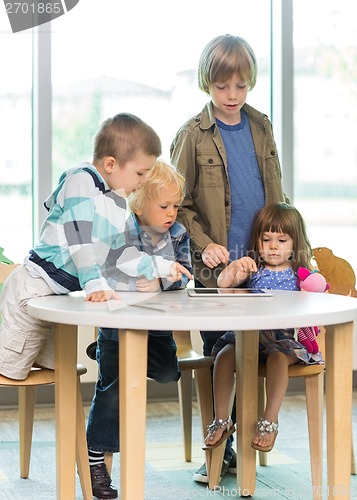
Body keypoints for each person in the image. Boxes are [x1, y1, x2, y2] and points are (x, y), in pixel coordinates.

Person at [170, 33, 289, 482]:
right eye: (223, 87)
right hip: (215, 272)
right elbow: (175, 205)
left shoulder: (261, 126)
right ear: (207, 84)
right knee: (223, 351)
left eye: (241, 86)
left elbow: (278, 196)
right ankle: (219, 451)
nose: (233, 96)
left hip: (264, 267)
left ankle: (241, 446)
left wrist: (299, 255)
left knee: (259, 350)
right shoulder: (191, 135)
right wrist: (205, 246)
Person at [86, 160, 193, 499]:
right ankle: (96, 461)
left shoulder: (177, 235)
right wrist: (133, 282)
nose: (171, 213)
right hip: (120, 325)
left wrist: (163, 279)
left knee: (166, 373)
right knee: (114, 388)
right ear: (139, 202)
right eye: (164, 206)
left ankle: (109, 357)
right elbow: (104, 270)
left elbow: (186, 274)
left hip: (158, 328)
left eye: (175, 206)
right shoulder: (121, 229)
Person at [204, 203, 323, 457]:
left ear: (295, 242)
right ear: (256, 240)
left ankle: (270, 421)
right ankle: (222, 419)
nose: (273, 246)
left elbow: (318, 294)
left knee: (278, 360)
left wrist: (313, 283)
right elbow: (223, 285)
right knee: (223, 356)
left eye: (281, 239)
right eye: (266, 239)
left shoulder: (297, 273)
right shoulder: (253, 268)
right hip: (249, 336)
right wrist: (234, 269)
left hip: (284, 339)